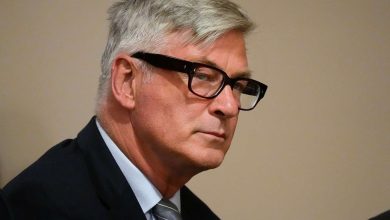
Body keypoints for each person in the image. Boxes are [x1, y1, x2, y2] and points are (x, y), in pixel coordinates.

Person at [3, 0, 267, 219]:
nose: (230, 106)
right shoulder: (36, 207)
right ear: (127, 81)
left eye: (238, 85)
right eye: (203, 76)